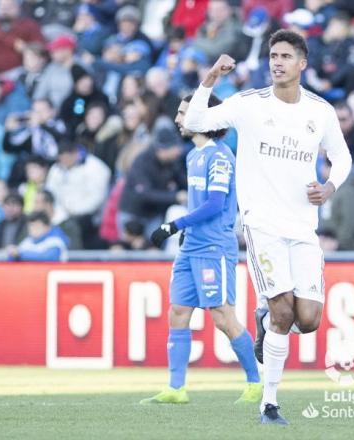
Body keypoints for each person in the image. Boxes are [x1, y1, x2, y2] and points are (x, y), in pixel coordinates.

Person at [182, 30, 352, 424]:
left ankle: (264, 320)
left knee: (307, 319)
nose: (277, 62)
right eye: (273, 56)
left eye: (286, 56)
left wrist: (329, 186)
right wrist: (211, 79)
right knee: (283, 311)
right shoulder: (248, 104)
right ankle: (270, 404)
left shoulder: (320, 111)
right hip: (262, 224)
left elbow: (341, 156)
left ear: (302, 63)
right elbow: (195, 120)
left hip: (303, 226)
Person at [140, 94, 262, 406]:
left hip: (213, 247)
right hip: (191, 247)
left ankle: (256, 383)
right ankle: (176, 388)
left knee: (222, 316)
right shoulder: (193, 155)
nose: (180, 119)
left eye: (185, 113)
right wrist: (185, 232)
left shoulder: (220, 157)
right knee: (178, 312)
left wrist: (174, 225)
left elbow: (215, 204)